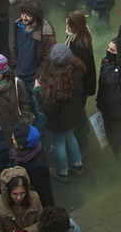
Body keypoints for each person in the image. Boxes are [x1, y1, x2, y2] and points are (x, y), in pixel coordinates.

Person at [36, 43, 86, 183]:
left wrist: (37, 90)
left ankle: (62, 173)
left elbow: (50, 107)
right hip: (73, 115)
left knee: (58, 143)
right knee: (70, 137)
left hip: (58, 120)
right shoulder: (77, 69)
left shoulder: (56, 81)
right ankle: (77, 165)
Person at [10, 0, 56, 131]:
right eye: (22, 13)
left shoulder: (46, 33)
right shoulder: (18, 25)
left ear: (36, 15)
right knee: (26, 105)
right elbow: (15, 45)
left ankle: (39, 139)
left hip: (35, 79)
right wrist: (13, 65)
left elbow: (48, 60)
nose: (24, 17)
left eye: (28, 15)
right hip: (21, 74)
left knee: (40, 111)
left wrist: (38, 78)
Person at [96, 23, 121, 164]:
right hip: (106, 110)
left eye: (112, 50)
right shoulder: (105, 62)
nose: (108, 51)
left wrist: (120, 37)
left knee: (119, 144)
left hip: (118, 114)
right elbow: (101, 84)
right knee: (110, 138)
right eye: (108, 48)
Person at [65, 11, 96, 150]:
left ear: (76, 27)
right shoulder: (81, 36)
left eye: (69, 25)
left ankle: (82, 138)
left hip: (80, 87)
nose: (66, 27)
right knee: (80, 109)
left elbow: (80, 72)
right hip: (83, 86)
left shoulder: (80, 46)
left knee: (78, 110)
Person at [0, 166, 42, 232]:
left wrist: (26, 231)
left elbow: (42, 223)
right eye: (15, 194)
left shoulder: (35, 198)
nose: (19, 198)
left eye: (22, 193)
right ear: (7, 192)